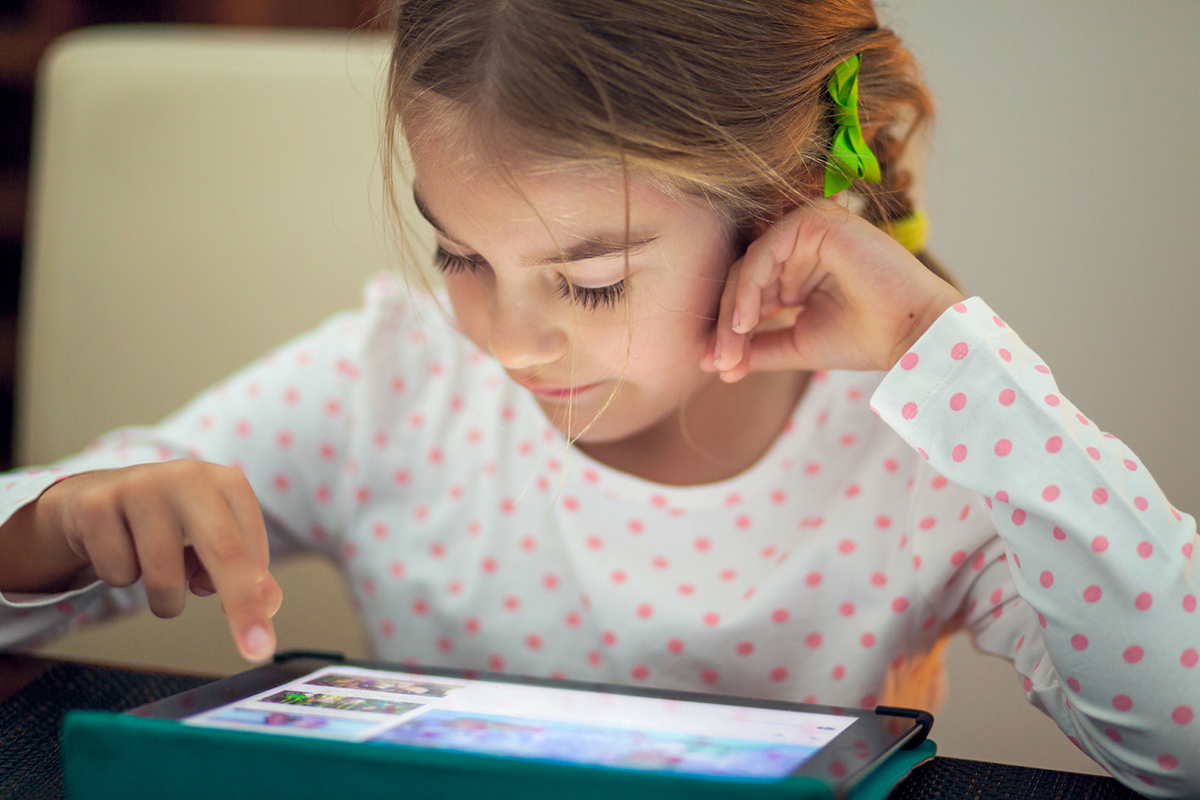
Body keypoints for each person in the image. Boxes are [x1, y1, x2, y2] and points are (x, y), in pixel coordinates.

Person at [0, 0, 1195, 794]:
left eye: (592, 278)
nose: (507, 342)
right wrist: (53, 528)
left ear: (784, 205)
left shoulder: (931, 441)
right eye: (460, 256)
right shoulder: (390, 384)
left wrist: (941, 343)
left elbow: (1178, 734)